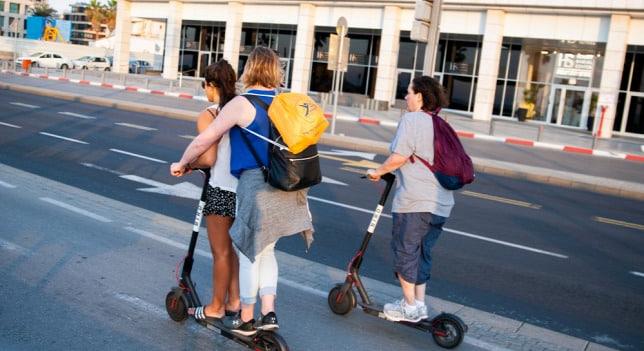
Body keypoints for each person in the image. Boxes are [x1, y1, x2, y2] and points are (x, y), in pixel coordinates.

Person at [170, 47, 313, 336]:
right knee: (268, 251)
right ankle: (268, 311)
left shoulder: (242, 103)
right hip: (285, 185)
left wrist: (182, 162)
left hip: (255, 185)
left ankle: (246, 318)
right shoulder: (285, 102)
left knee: (249, 253)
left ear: (252, 68)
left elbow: (206, 140)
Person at [366, 76, 453, 323]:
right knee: (422, 253)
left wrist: (378, 172)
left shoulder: (412, 120)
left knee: (405, 252)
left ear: (420, 96)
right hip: (442, 205)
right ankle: (418, 304)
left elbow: (399, 157)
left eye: (408, 92)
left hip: (416, 203)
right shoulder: (440, 123)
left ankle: (409, 307)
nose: (405, 97)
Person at [185, 60, 240, 323]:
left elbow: (208, 158)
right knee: (235, 250)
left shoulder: (209, 113)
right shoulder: (243, 107)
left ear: (211, 85)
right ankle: (235, 301)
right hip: (247, 188)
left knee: (221, 252)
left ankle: (216, 307)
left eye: (205, 85)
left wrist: (188, 165)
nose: (205, 90)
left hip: (221, 189)